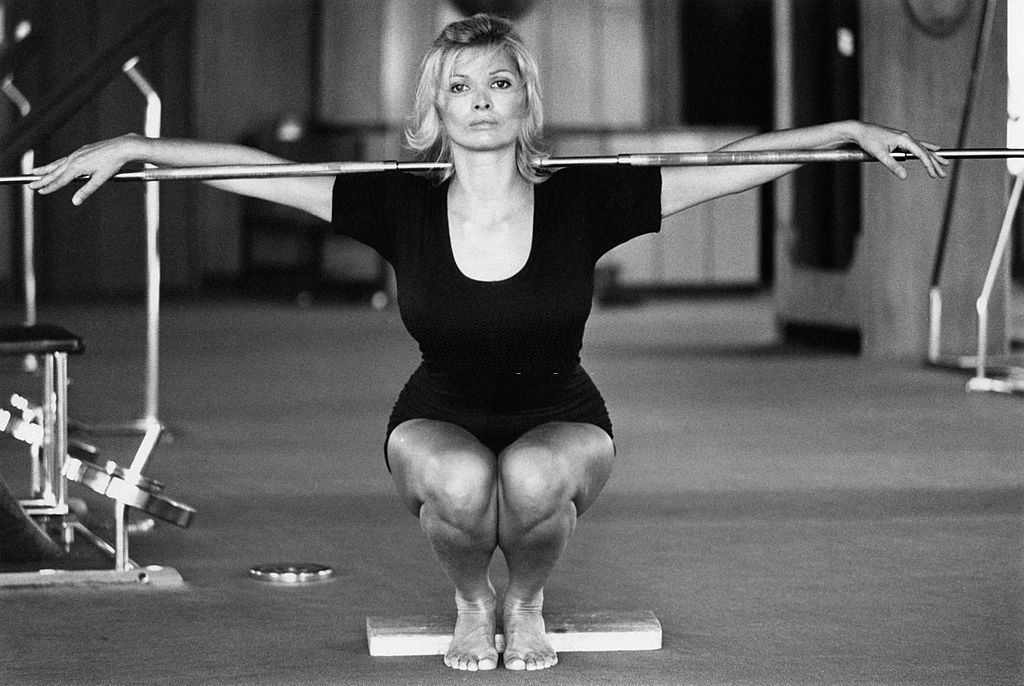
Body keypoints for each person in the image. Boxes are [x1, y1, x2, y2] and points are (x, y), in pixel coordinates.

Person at [29, 13, 947, 672]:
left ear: (524, 101)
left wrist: (845, 131)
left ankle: (527, 600)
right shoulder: (396, 202)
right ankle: (473, 602)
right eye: (459, 87)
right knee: (468, 484)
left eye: (499, 82)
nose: (480, 101)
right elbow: (260, 174)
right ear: (436, 107)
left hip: (562, 412)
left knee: (534, 483)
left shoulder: (586, 198)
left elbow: (724, 171)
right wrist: (132, 148)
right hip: (439, 413)